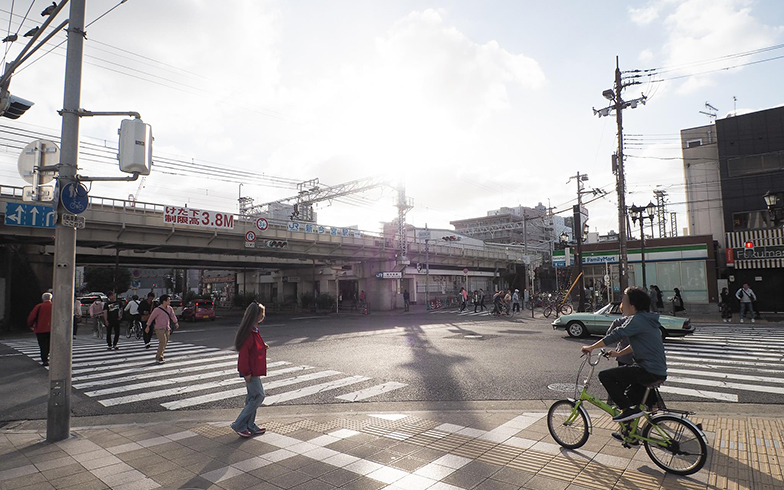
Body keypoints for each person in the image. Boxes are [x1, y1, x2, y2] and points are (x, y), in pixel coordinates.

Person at [581, 286, 667, 423]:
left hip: (647, 370)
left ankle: (627, 411)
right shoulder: (647, 320)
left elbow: (615, 335)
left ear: (632, 305)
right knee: (629, 396)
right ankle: (629, 434)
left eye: (624, 300)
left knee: (605, 376)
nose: (622, 304)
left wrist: (591, 347)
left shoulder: (637, 320)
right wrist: (618, 353)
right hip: (657, 370)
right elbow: (636, 344)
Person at [231, 302, 268, 438]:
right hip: (250, 370)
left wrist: (263, 347)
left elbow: (252, 348)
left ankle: (250, 425)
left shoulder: (253, 330)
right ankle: (239, 424)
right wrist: (246, 372)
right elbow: (244, 354)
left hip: (253, 369)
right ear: (256, 315)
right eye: (262, 313)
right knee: (259, 396)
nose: (263, 316)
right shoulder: (250, 332)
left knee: (252, 398)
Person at [145, 294, 180, 363]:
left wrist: (176, 322)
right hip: (159, 328)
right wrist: (148, 326)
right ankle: (158, 357)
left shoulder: (170, 308)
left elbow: (172, 316)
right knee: (162, 341)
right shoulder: (157, 310)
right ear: (164, 301)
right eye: (168, 300)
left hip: (167, 328)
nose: (169, 301)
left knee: (165, 342)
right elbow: (151, 318)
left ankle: (161, 355)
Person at [27, 293, 53, 367]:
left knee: (42, 345)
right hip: (52, 329)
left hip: (40, 329)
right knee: (49, 344)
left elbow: (31, 317)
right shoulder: (54, 306)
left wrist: (30, 325)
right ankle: (48, 356)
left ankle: (44, 359)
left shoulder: (39, 306)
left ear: (43, 298)